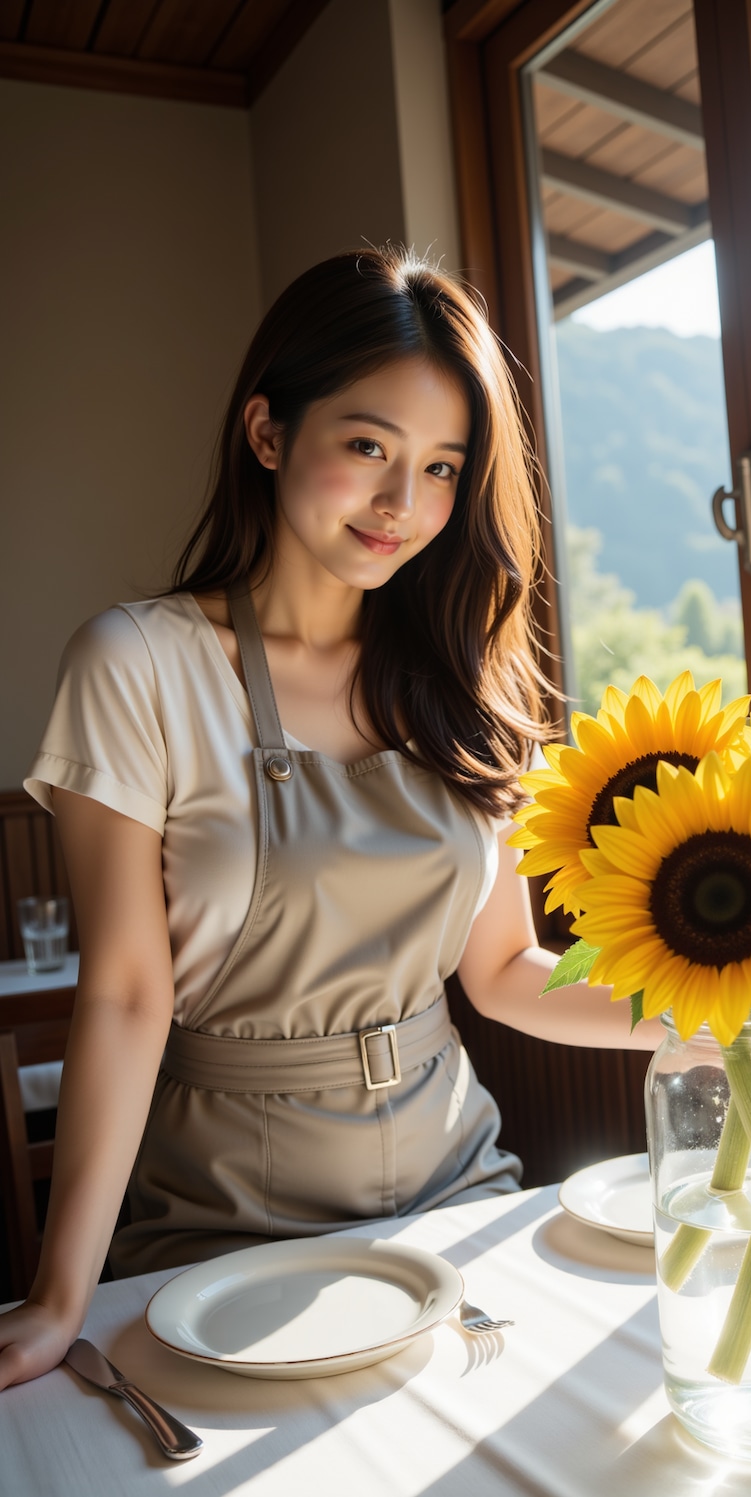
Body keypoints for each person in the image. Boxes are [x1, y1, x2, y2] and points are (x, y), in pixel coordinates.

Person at [0, 248, 660, 1390]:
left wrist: (722, 1011)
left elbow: (502, 972)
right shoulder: (139, 662)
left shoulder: (462, 680)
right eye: (368, 448)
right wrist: (59, 1298)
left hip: (456, 1198)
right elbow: (124, 991)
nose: (404, 505)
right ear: (267, 433)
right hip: (223, 1227)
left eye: (443, 467)